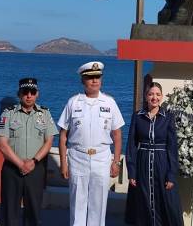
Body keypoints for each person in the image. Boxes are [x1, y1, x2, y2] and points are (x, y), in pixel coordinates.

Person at [58, 61, 125, 226]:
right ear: (83, 80)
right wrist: (63, 163)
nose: (94, 80)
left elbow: (117, 135)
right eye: (90, 77)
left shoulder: (109, 103)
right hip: (77, 157)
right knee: (77, 204)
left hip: (101, 158)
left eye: (97, 77)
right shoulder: (73, 102)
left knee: (98, 204)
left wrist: (116, 162)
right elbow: (63, 135)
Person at [0, 77, 58, 226]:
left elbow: (49, 141)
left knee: (34, 211)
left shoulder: (45, 113)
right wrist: (20, 164)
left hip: (36, 169)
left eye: (32, 92)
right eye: (25, 92)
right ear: (19, 94)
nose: (29, 95)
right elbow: (2, 144)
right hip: (12, 169)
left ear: (37, 94)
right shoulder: (8, 114)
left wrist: (33, 161)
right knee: (10, 212)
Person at [124, 82, 184, 226]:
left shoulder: (168, 117)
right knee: (143, 202)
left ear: (161, 97)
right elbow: (131, 145)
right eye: (151, 94)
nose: (154, 97)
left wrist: (171, 174)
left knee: (166, 204)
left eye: (157, 94)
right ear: (146, 96)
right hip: (142, 164)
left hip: (162, 164)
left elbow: (172, 147)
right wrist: (132, 172)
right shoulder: (137, 116)